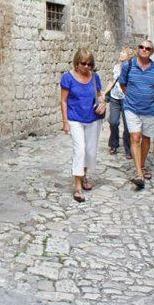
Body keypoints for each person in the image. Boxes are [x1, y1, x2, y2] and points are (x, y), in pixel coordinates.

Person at [60, 48, 106, 202]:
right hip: (75, 119)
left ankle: (84, 175)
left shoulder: (95, 77)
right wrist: (65, 122)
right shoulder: (68, 78)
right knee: (79, 150)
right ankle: (78, 186)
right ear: (76, 63)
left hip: (93, 119)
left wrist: (103, 104)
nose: (86, 67)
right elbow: (64, 101)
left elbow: (99, 95)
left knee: (90, 152)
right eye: (83, 64)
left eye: (90, 64)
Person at [119, 38, 154, 189]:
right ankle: (138, 173)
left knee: (146, 138)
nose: (144, 49)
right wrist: (132, 97)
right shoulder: (128, 66)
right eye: (142, 47)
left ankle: (142, 165)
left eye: (148, 48)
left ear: (151, 52)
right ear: (138, 49)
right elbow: (122, 84)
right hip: (131, 108)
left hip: (150, 109)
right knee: (135, 137)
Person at [103, 46, 133, 158]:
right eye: (120, 51)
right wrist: (104, 93)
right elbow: (112, 81)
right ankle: (113, 144)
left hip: (126, 99)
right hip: (115, 98)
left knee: (127, 125)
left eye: (123, 52)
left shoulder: (131, 69)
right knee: (113, 122)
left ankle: (128, 149)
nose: (120, 53)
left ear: (129, 56)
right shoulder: (116, 67)